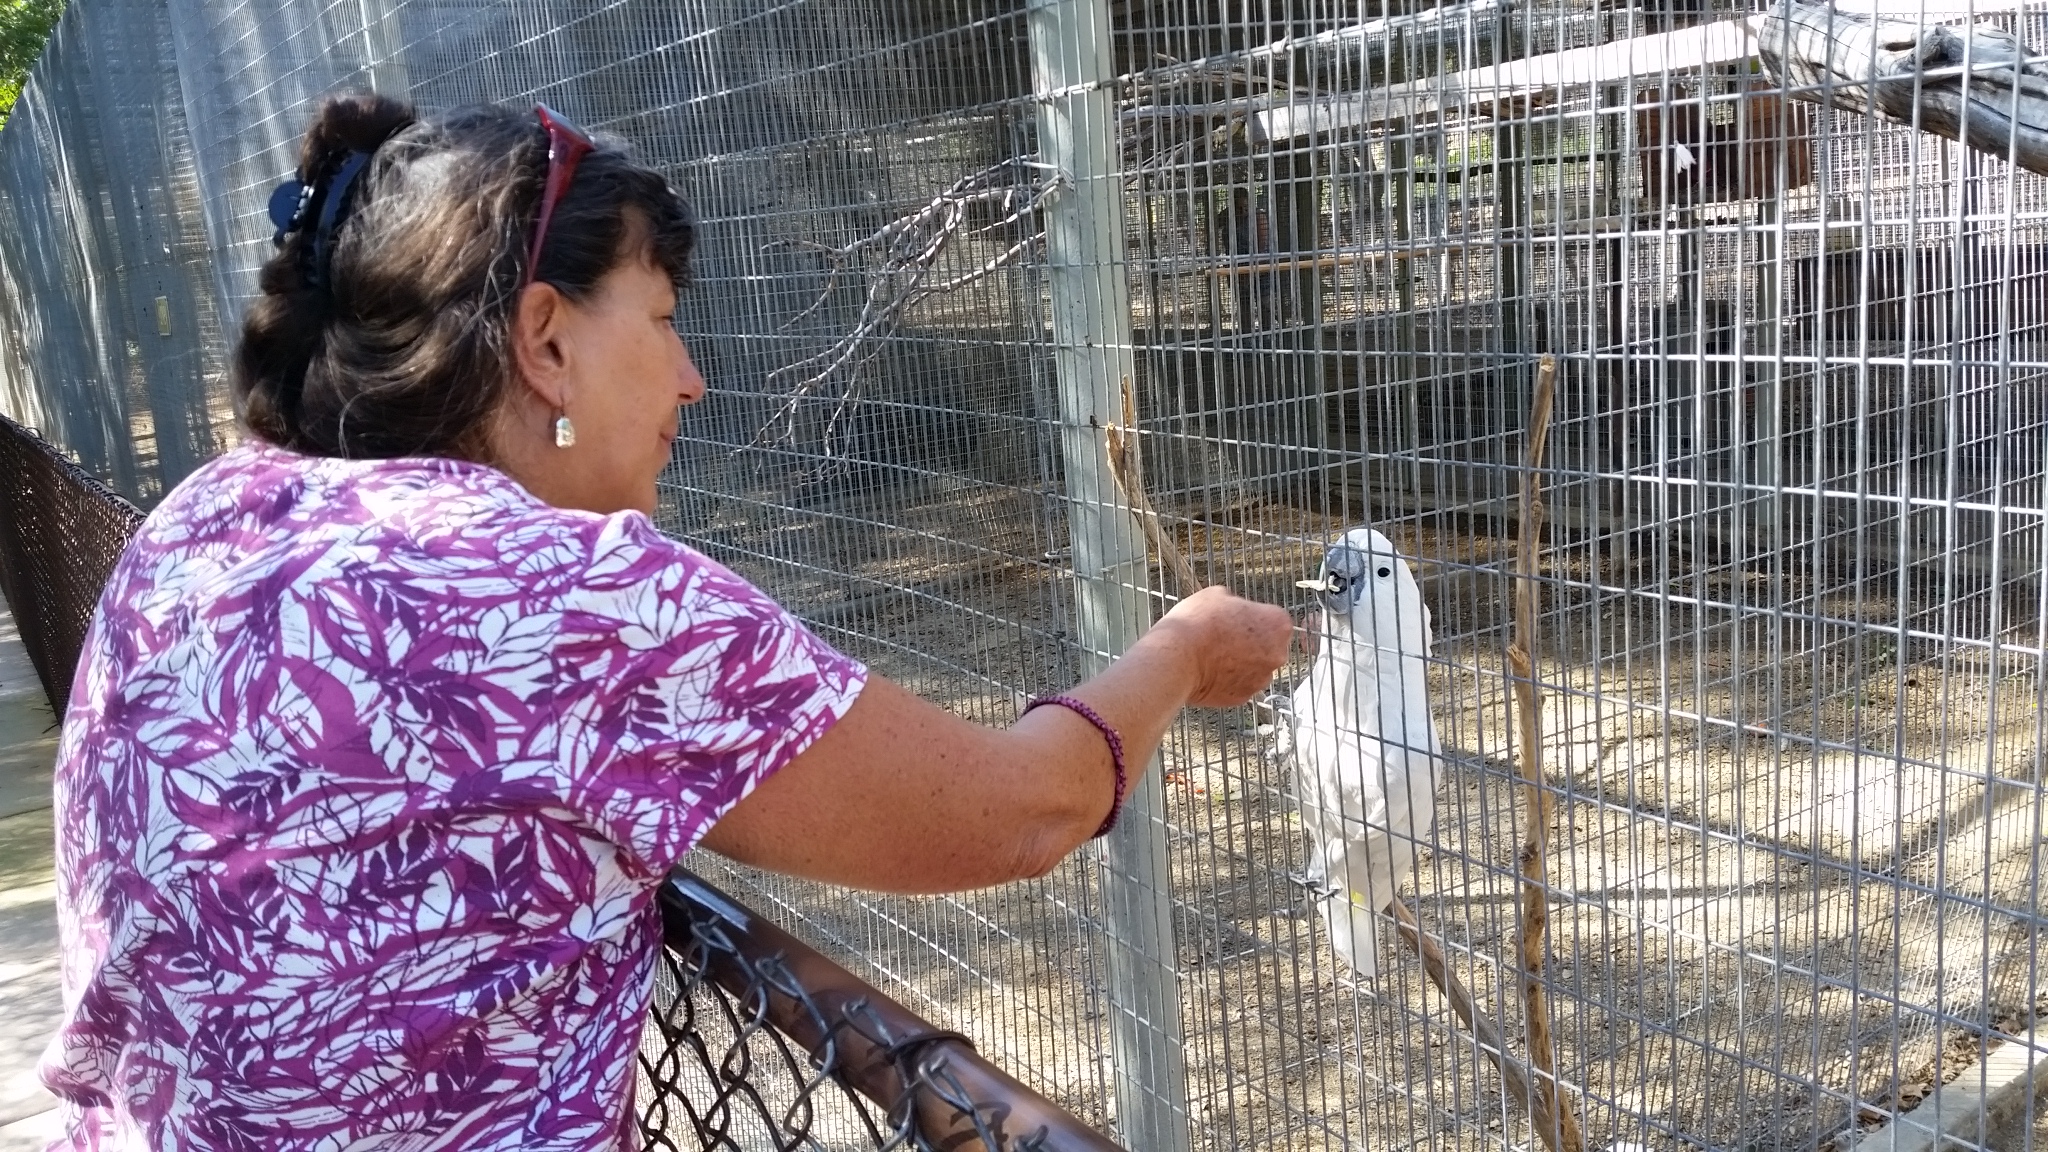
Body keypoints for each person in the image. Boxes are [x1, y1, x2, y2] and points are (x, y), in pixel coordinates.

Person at [38, 94, 1293, 1151]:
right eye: (661, 316)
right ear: (544, 340)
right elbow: (1024, 807)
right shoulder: (556, 594)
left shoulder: (212, 511)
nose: (691, 373)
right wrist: (1181, 649)